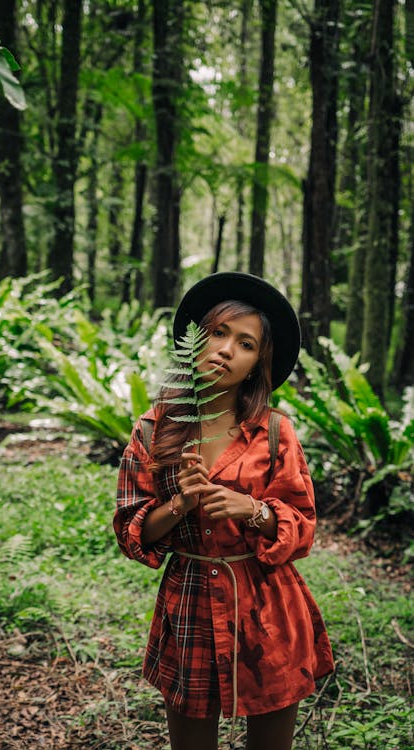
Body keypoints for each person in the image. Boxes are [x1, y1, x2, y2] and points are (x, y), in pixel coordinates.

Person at [113, 272, 334, 750]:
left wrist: (252, 510)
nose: (226, 350)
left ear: (258, 362)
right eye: (217, 333)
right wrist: (179, 505)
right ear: (195, 340)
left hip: (268, 609)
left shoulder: (275, 431)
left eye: (246, 343)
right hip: (189, 601)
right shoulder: (154, 429)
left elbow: (303, 526)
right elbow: (132, 530)